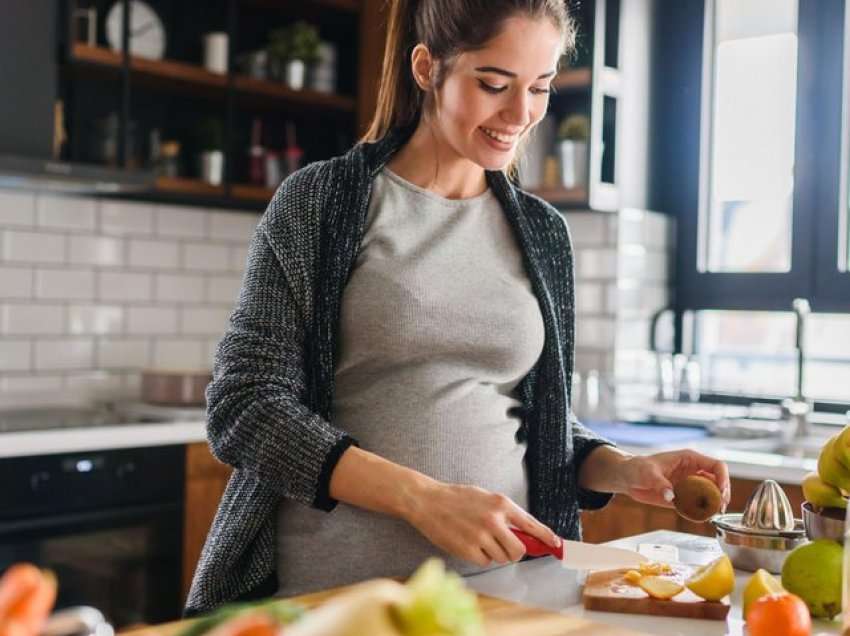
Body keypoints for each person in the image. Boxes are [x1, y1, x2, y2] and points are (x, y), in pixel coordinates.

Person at [185, 0, 731, 615]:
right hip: (337, 598)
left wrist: (621, 469)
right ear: (427, 68)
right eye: (493, 84)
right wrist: (423, 498)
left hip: (499, 596)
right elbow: (245, 408)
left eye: (540, 87)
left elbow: (531, 423)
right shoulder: (321, 202)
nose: (520, 114)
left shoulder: (543, 232)